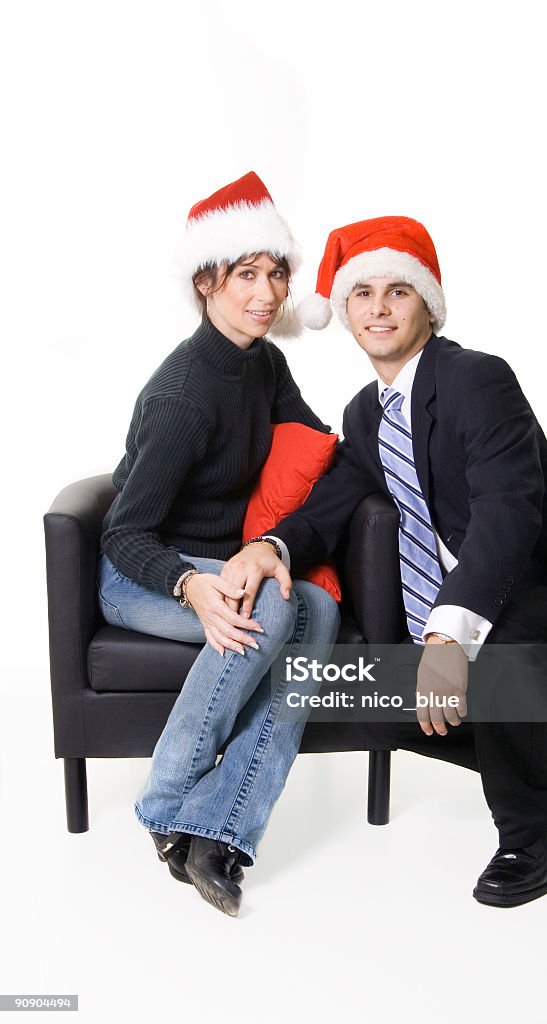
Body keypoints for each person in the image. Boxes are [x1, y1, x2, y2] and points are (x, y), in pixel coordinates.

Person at [222, 214, 547, 907]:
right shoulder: (367, 412)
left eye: (398, 291)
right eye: (361, 293)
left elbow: (505, 511)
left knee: (507, 648)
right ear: (343, 311)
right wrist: (266, 546)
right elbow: (333, 501)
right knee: (365, 700)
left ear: (427, 303)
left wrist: (445, 635)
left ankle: (533, 833)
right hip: (472, 612)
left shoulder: (476, 380)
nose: (378, 307)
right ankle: (532, 728)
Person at [97, 172, 340, 917]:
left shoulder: (264, 363)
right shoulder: (183, 394)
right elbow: (123, 531)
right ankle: (169, 795)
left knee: (319, 612)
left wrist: (272, 541)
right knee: (270, 610)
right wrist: (190, 586)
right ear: (207, 282)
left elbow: (321, 446)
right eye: (245, 275)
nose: (265, 292)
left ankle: (218, 828)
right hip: (141, 572)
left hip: (221, 559)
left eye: (275, 273)